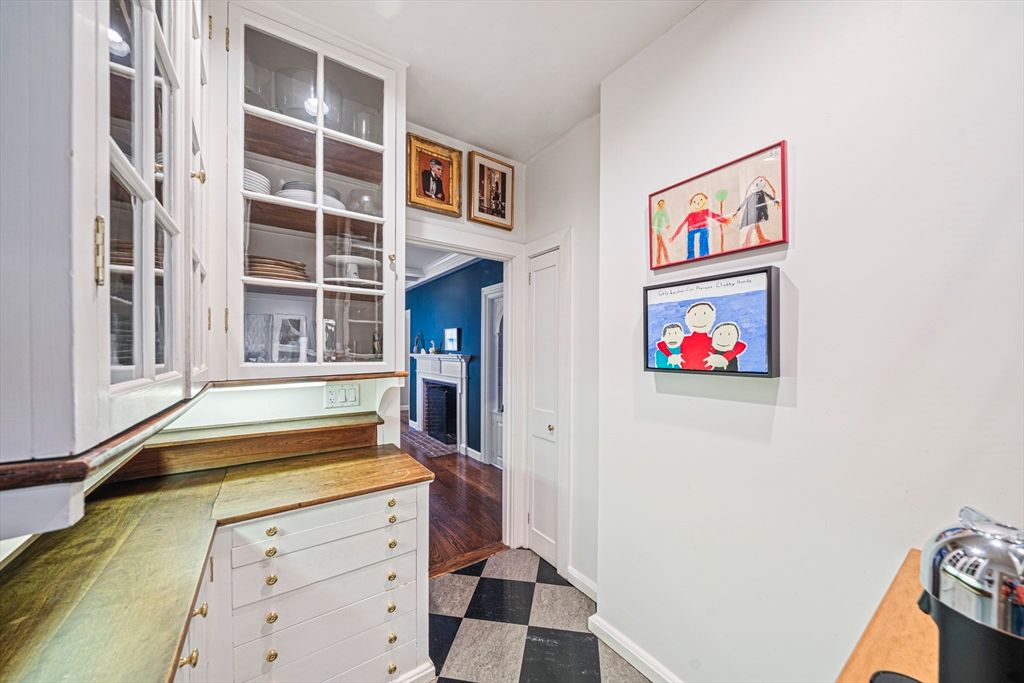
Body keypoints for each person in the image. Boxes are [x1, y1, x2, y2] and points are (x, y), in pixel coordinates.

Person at [669, 192, 731, 260]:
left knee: (703, 238)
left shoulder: (705, 211)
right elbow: (681, 226)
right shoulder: (690, 215)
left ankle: (704, 255)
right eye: (694, 201)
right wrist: (673, 237)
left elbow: (714, 216)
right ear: (691, 204)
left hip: (703, 229)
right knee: (691, 242)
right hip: (692, 231)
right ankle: (691, 257)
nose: (698, 203)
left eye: (701, 200)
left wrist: (724, 220)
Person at [731, 176, 780, 247]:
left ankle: (757, 239)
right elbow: (744, 203)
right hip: (753, 214)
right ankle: (751, 240)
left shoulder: (761, 193)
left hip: (758, 213)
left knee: (756, 226)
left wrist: (777, 202)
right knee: (754, 226)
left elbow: (769, 196)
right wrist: (736, 212)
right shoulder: (752, 196)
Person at [650, 199, 671, 265]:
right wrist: (652, 228)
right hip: (658, 231)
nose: (661, 205)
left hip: (662, 231)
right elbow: (653, 219)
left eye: (662, 204)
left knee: (661, 245)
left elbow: (666, 217)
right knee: (660, 245)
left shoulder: (663, 211)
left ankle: (661, 260)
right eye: (660, 204)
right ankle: (662, 260)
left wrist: (667, 224)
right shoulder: (658, 211)